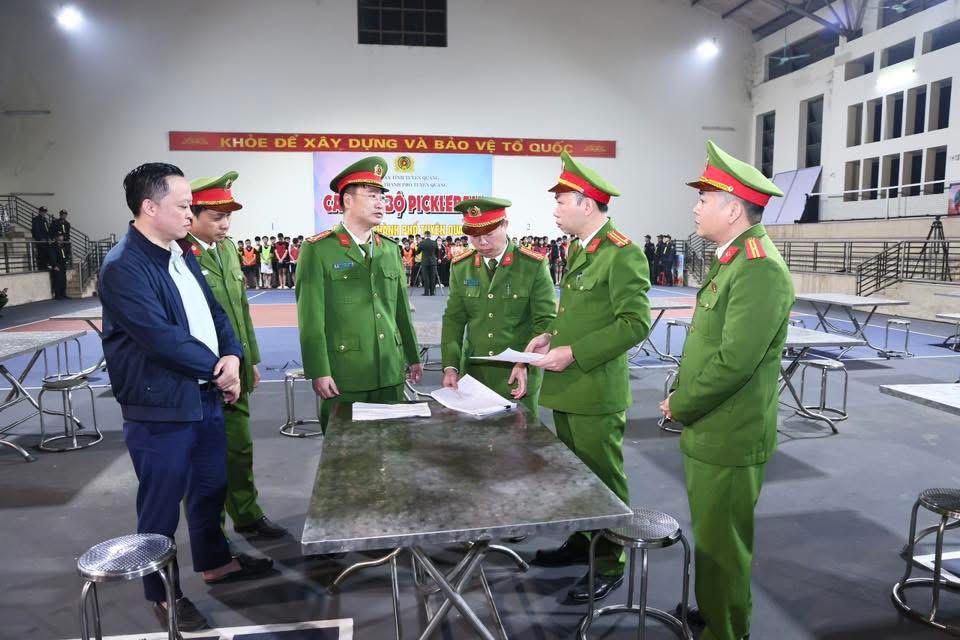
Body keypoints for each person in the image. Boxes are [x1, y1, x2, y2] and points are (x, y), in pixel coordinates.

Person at [99, 163, 273, 634]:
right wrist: (218, 369)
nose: (190, 214)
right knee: (159, 508)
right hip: (161, 407)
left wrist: (232, 354)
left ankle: (215, 562)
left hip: (204, 397)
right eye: (182, 206)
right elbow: (160, 338)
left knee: (210, 487)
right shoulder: (123, 267)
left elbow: (215, 312)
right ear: (149, 207)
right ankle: (161, 593)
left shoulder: (182, 252)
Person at [659, 141, 792, 640]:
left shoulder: (758, 267)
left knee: (725, 545)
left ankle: (728, 630)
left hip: (730, 430)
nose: (695, 208)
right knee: (713, 536)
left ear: (733, 209)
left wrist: (681, 402)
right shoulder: (733, 259)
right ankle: (716, 611)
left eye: (703, 199)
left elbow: (735, 361)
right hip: (713, 425)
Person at [527, 151, 651, 603]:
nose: (555, 209)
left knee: (603, 477)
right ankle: (584, 541)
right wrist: (550, 335)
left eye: (561, 201)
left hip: (595, 387)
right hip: (568, 386)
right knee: (576, 475)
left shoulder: (622, 253)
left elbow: (635, 323)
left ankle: (611, 560)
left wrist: (574, 352)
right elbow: (580, 314)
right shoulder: (582, 248)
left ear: (585, 203)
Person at [188, 170, 287, 540]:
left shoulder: (228, 250)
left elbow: (242, 311)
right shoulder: (180, 256)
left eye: (228, 217)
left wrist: (251, 360)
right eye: (217, 217)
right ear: (192, 216)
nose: (225, 225)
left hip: (237, 368)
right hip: (205, 375)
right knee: (207, 460)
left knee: (240, 449)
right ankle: (213, 540)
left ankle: (246, 514)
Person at [296, 156, 423, 431]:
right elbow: (311, 319)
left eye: (382, 197)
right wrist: (319, 370)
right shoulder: (319, 250)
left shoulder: (390, 249)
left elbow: (400, 310)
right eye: (372, 196)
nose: (381, 203)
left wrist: (412, 356)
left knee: (392, 446)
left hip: (390, 371)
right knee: (344, 450)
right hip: (345, 374)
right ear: (347, 200)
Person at [441, 197, 556, 417]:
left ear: (505, 225)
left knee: (520, 436)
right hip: (474, 376)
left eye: (489, 233)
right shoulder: (461, 266)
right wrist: (450, 366)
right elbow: (454, 320)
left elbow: (545, 320)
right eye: (474, 235)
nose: (482, 242)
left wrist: (525, 362)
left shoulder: (532, 265)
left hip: (518, 374)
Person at [416, 230, 440, 295]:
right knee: (433, 277)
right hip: (433, 262)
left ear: (425, 235)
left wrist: (418, 245)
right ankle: (432, 292)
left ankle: (426, 292)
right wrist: (436, 258)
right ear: (430, 235)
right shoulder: (434, 242)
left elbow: (417, 252)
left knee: (426, 277)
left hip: (425, 262)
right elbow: (437, 252)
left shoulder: (422, 243)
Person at [49, 232, 69, 299]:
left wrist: (66, 260)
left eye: (62, 236)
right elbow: (52, 256)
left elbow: (66, 254)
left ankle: (63, 293)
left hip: (63, 264)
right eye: (59, 236)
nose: (61, 237)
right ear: (56, 237)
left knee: (63, 279)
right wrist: (55, 265)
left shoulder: (63, 245)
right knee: (57, 280)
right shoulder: (53, 246)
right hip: (57, 265)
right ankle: (57, 295)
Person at [31, 206, 51, 270]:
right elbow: (36, 230)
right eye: (43, 211)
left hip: (46, 240)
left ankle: (45, 265)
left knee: (46, 253)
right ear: (39, 212)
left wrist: (49, 238)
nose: (44, 213)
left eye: (45, 212)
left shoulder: (45, 220)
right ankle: (41, 267)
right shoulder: (36, 219)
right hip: (40, 240)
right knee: (40, 253)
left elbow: (47, 230)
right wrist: (41, 238)